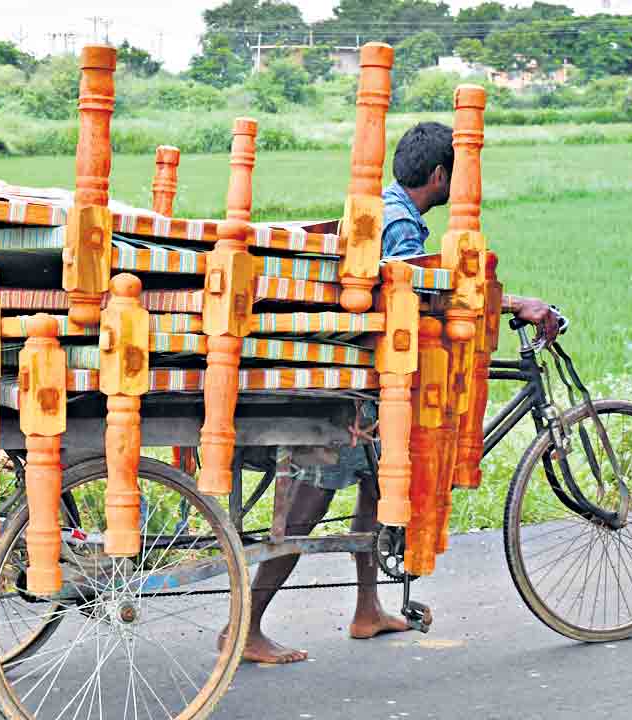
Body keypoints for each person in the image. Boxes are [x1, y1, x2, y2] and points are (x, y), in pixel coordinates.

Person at [228, 122, 562, 665]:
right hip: (352, 390)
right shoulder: (401, 226)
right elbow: (425, 293)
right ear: (438, 175)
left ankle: (367, 608)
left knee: (374, 485)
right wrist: (513, 302)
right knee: (308, 509)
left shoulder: (385, 207)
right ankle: (245, 628)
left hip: (369, 385)